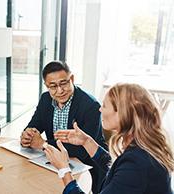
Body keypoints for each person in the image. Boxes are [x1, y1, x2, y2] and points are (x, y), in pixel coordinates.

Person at [45, 83, 174, 194]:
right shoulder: (142, 147)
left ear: (122, 113)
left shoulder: (137, 163)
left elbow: (127, 170)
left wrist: (64, 170)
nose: (100, 109)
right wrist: (87, 141)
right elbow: (117, 170)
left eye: (105, 105)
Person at [20, 61, 108, 193]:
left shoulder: (91, 105)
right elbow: (34, 126)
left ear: (71, 79)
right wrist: (27, 136)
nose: (60, 91)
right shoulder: (45, 99)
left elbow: (83, 151)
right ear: (46, 86)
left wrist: (43, 144)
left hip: (87, 168)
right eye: (53, 86)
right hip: (54, 165)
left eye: (64, 83)